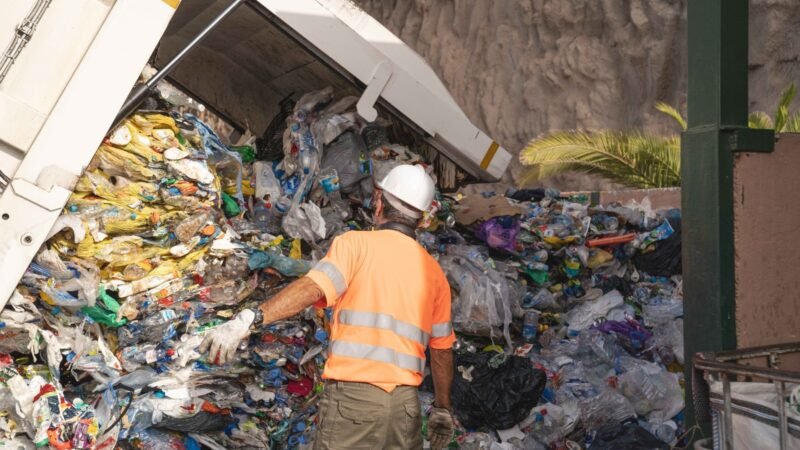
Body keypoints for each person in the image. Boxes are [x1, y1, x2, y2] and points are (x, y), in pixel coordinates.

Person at [200, 164, 456, 450]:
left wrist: (250, 318)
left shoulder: (356, 244)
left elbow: (313, 287)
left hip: (355, 402)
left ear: (379, 201)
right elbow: (442, 351)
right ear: (421, 220)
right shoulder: (435, 274)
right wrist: (443, 408)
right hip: (404, 408)